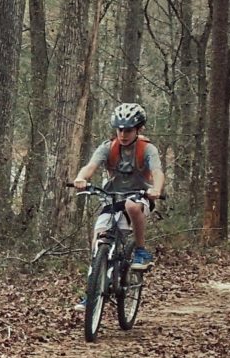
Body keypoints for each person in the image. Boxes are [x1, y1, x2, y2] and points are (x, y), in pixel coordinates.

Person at [70, 103, 165, 270]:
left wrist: (156, 189)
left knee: (132, 205)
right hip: (113, 197)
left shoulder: (148, 149)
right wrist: (80, 178)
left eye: (128, 130)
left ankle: (141, 251)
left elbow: (157, 171)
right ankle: (94, 292)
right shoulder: (108, 147)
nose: (123, 134)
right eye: (119, 130)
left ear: (138, 129)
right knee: (98, 240)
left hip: (141, 195)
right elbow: (91, 166)